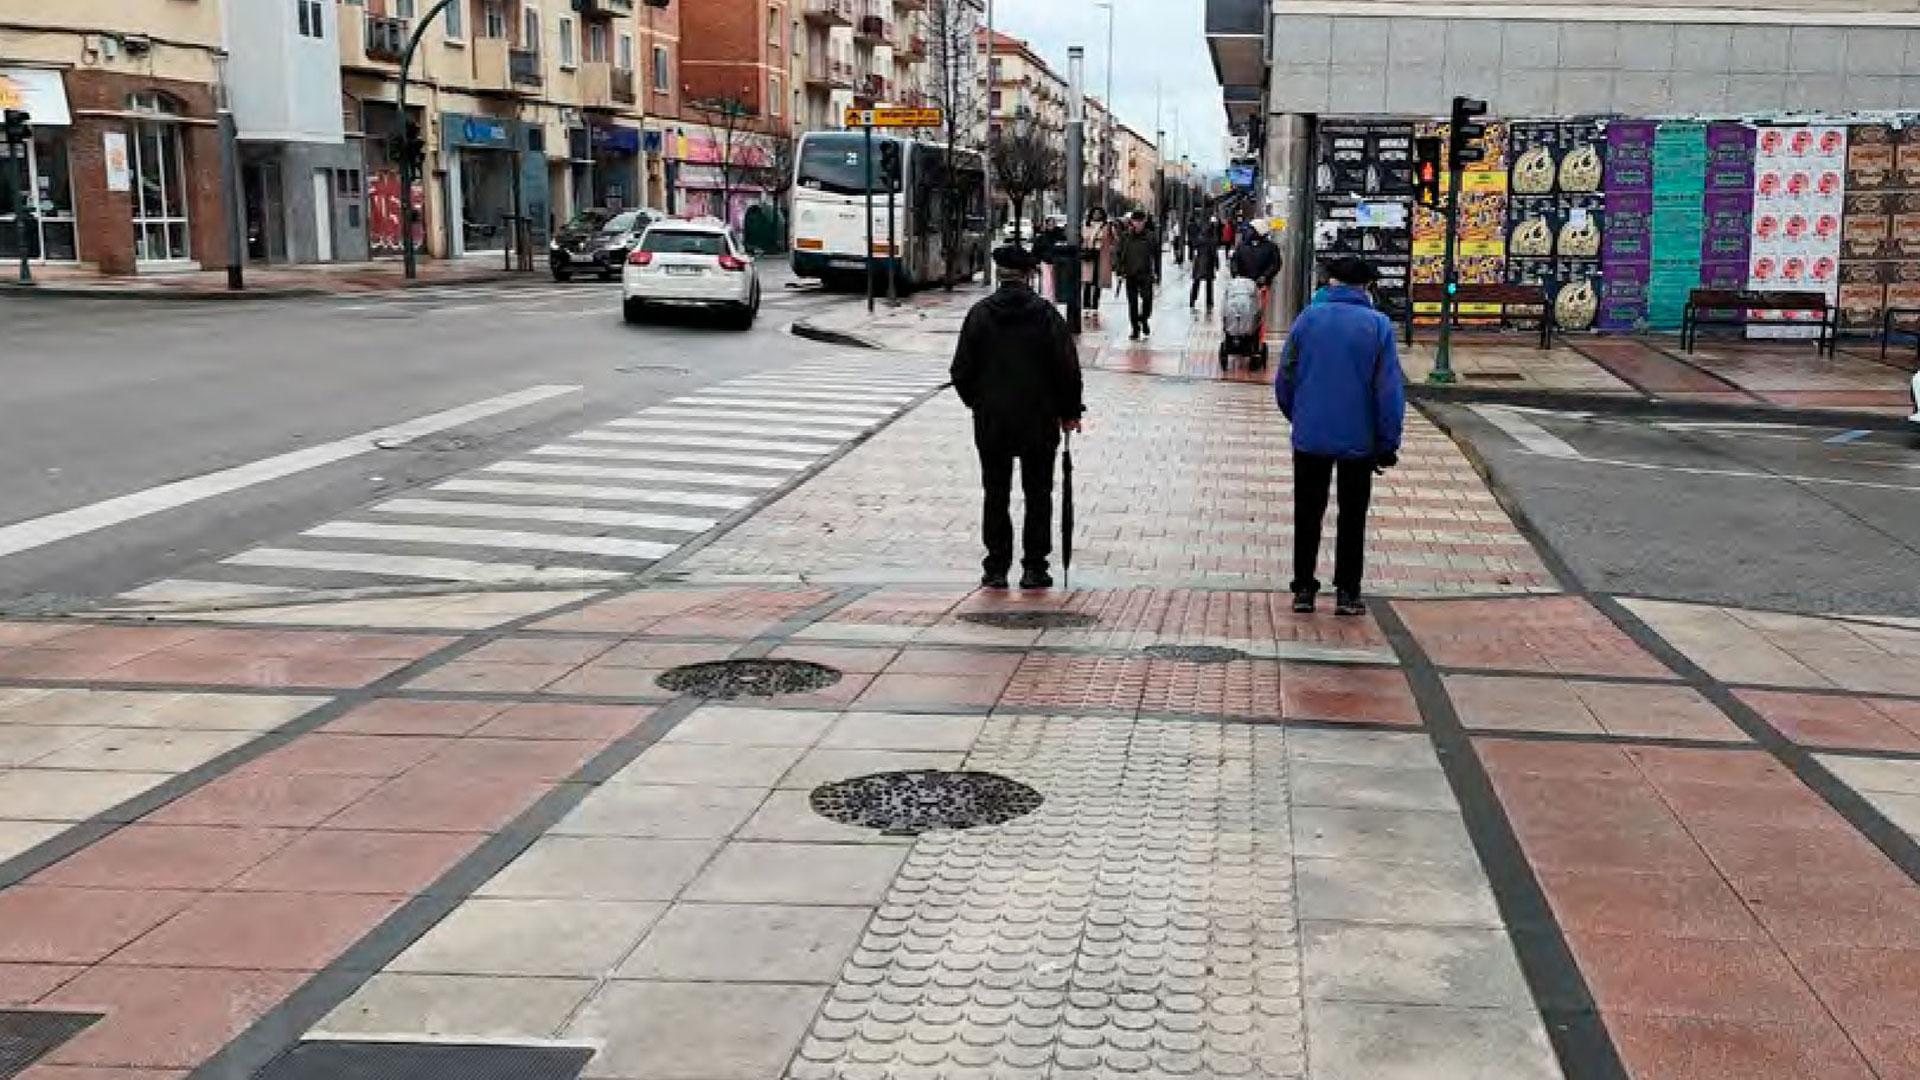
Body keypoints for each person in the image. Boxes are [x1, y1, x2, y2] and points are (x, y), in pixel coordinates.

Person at [951, 245, 1087, 591]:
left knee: (995, 492)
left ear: (1000, 275)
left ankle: (996, 567)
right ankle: (1034, 567)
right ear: (1029, 276)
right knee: (1038, 493)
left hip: (993, 420)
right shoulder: (1046, 316)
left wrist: (980, 403)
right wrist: (1069, 412)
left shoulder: (979, 315)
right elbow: (1067, 369)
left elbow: (961, 371)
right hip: (1039, 421)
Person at [1275, 256, 1405, 617]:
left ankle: (1303, 588)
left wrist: (1298, 416)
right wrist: (1387, 442)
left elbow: (1285, 378)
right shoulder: (1378, 326)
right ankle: (1348, 591)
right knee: (1352, 515)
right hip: (1358, 438)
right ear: (1366, 287)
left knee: (1307, 511)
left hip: (1310, 434)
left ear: (1330, 283)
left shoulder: (1306, 320)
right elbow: (1388, 392)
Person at [1114, 211, 1161, 340]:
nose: (1138, 224)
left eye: (1140, 221)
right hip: (1130, 274)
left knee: (1147, 300)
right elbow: (1118, 254)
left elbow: (1157, 257)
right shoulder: (1126, 237)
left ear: (1144, 222)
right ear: (1132, 222)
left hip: (1146, 274)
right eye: (1136, 221)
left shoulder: (1151, 237)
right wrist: (1119, 270)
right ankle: (1135, 328)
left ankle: (1144, 319)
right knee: (1132, 304)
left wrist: (1157, 273)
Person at [1231, 219, 1282, 287]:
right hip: (1244, 285)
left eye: (1251, 229)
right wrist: (1236, 274)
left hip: (1262, 286)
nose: (1249, 231)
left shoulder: (1270, 247)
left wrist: (1265, 276)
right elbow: (1235, 261)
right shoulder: (1242, 246)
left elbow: (1275, 263)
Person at [1189, 213, 1222, 313]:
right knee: (1209, 284)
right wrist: (1217, 264)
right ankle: (1209, 301)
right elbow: (1214, 253)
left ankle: (1192, 300)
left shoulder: (1199, 239)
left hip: (1199, 263)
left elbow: (1194, 247)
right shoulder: (1212, 241)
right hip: (1208, 264)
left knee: (1196, 282)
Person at [1080, 207, 1110, 314]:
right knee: (1087, 281)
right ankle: (1086, 305)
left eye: (1099, 213)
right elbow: (1083, 236)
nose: (1096, 215)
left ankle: (1095, 305)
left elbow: (1110, 239)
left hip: (1100, 254)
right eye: (1095, 213)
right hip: (1088, 253)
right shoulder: (1086, 225)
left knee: (1098, 281)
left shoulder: (1106, 226)